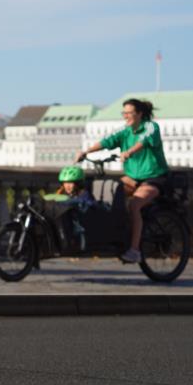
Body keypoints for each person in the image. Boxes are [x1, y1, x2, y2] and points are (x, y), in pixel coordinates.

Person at [76, 98, 168, 264]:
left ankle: (134, 250)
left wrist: (129, 152)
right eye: (123, 113)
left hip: (154, 178)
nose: (125, 116)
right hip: (133, 177)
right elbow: (107, 141)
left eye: (129, 113)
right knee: (109, 193)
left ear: (139, 114)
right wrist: (85, 152)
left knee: (134, 205)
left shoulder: (150, 126)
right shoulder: (125, 131)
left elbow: (144, 141)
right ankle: (116, 236)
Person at [43, 166, 94, 250]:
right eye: (65, 183)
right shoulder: (60, 193)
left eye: (71, 183)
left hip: (80, 224)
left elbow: (88, 205)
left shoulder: (84, 194)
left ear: (78, 184)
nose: (67, 186)